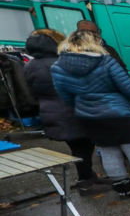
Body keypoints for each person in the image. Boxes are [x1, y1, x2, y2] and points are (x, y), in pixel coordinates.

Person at [51, 30, 130, 199]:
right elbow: (128, 88)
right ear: (94, 43)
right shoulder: (106, 62)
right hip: (121, 114)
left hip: (90, 117)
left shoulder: (57, 67)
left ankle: (123, 188)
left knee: (108, 152)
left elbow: (65, 96)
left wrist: (83, 109)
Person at [23, 29, 113, 196]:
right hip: (72, 111)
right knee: (83, 147)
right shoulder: (61, 62)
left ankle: (89, 176)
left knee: (78, 147)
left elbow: (31, 94)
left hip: (51, 112)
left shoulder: (30, 65)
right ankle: (86, 183)